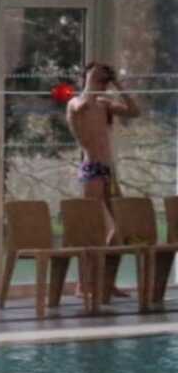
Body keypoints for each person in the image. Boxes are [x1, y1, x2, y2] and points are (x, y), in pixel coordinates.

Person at [67, 61, 141, 298]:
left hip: (109, 172)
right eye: (96, 77)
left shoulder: (104, 104)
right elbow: (82, 105)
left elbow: (134, 111)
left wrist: (117, 83)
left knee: (120, 231)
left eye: (102, 78)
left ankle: (107, 283)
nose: (100, 81)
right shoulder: (76, 102)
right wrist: (91, 78)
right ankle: (83, 285)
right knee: (95, 230)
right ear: (87, 79)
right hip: (92, 171)